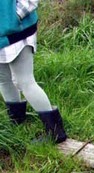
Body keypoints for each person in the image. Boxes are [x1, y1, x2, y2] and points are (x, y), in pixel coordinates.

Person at [0, 0, 67, 143]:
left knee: (25, 81)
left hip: (17, 33)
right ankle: (17, 122)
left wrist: (13, 17)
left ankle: (55, 132)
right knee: (3, 79)